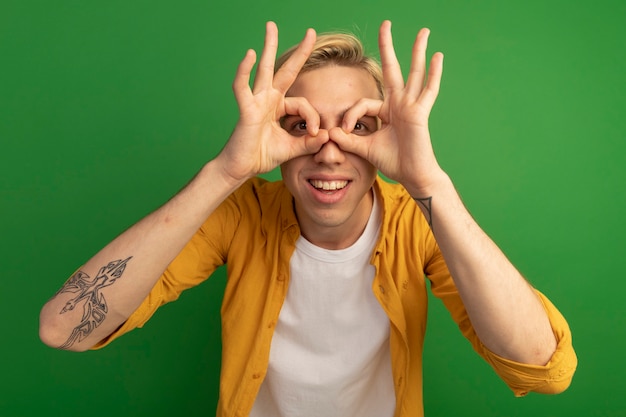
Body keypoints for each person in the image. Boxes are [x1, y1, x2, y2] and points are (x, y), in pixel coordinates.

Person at [39, 20, 577, 416]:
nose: (328, 150)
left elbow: (544, 366)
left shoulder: (416, 224)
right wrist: (225, 173)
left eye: (357, 127)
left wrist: (429, 183)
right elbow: (63, 327)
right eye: (300, 124)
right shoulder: (242, 216)